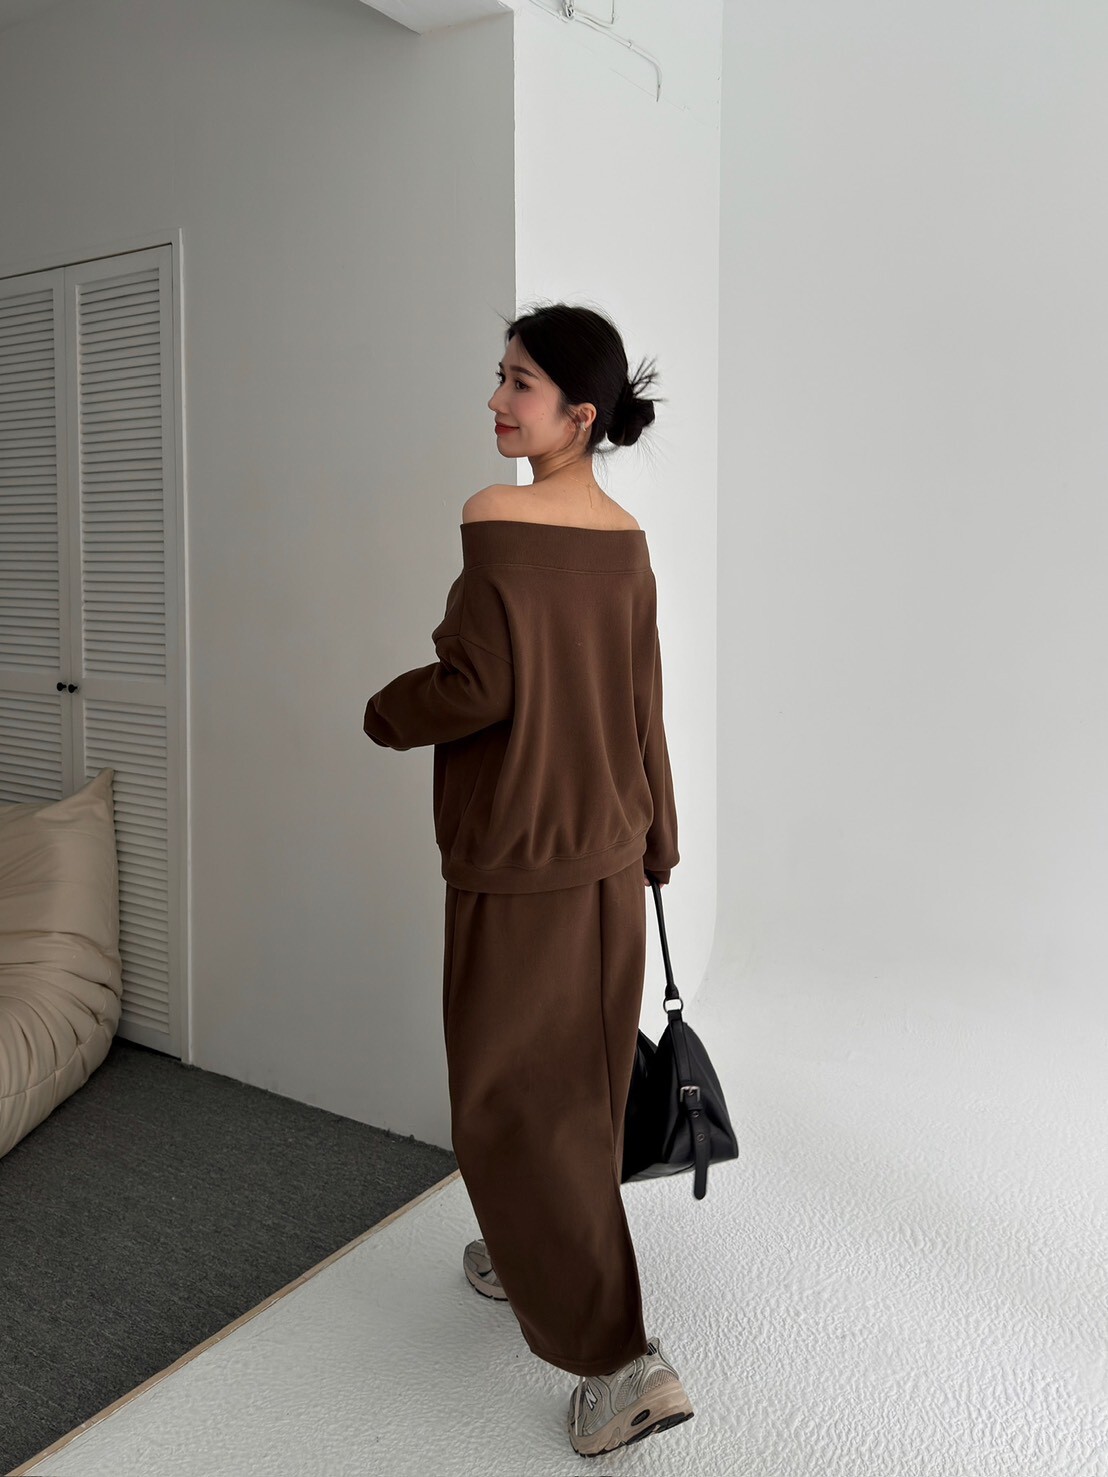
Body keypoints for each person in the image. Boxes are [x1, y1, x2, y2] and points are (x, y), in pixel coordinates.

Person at [362, 303, 692, 1458]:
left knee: (505, 1100)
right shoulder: (627, 537)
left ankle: (619, 1362)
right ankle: (528, 1250)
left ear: (578, 414)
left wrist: (386, 709)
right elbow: (643, 703)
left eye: (520, 384)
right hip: (609, 854)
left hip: (518, 860)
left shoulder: (496, 515)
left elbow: (476, 686)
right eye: (499, 376)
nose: (497, 402)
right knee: (577, 1089)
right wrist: (659, 843)